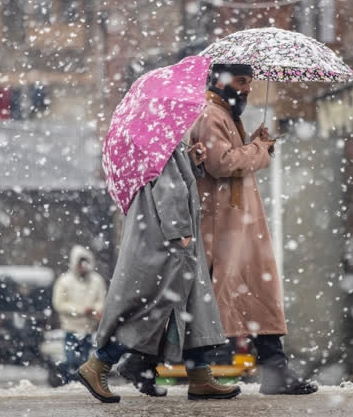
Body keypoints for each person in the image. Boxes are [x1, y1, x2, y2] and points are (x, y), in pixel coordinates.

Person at [77, 141, 241, 403]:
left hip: (157, 240)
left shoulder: (152, 144)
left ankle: (199, 377)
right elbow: (169, 189)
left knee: (188, 307)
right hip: (168, 245)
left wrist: (189, 160)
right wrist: (181, 233)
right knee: (153, 310)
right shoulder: (159, 144)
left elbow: (169, 179)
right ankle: (99, 364)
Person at [189, 63, 318, 395]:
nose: (246, 89)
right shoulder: (212, 116)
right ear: (220, 81)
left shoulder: (226, 116)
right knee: (213, 300)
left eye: (249, 82)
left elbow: (232, 159)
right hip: (224, 227)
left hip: (237, 224)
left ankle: (274, 370)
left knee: (254, 293)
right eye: (241, 81)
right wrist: (260, 148)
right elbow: (223, 164)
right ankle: (144, 362)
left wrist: (256, 145)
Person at [52, 245, 106, 372]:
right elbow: (59, 304)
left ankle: (80, 386)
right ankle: (70, 385)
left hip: (88, 329)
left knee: (84, 362)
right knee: (71, 361)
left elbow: (102, 300)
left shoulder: (97, 281)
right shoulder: (64, 281)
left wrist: (95, 309)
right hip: (71, 329)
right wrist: (82, 310)